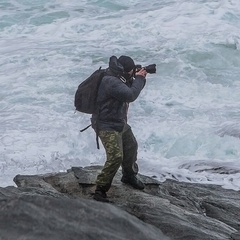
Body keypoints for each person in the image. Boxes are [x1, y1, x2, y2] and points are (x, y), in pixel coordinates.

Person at [91, 55, 147, 202]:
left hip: (118, 122)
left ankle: (128, 176)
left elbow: (130, 88)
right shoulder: (111, 81)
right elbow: (130, 95)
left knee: (131, 146)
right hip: (105, 124)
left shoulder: (119, 76)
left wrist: (138, 77)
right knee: (116, 156)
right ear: (125, 71)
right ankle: (100, 190)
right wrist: (139, 79)